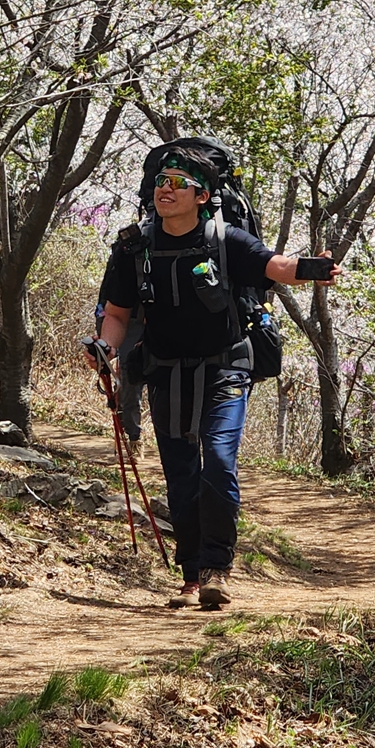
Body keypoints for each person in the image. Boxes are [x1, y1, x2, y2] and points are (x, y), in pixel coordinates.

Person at [90, 143, 337, 611]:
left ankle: (217, 568)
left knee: (219, 461)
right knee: (181, 475)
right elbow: (119, 313)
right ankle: (190, 576)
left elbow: (274, 266)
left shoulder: (226, 241)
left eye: (179, 184)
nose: (167, 190)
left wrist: (313, 268)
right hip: (165, 372)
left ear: (202, 196)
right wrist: (106, 346)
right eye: (162, 182)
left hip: (225, 367)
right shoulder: (133, 247)